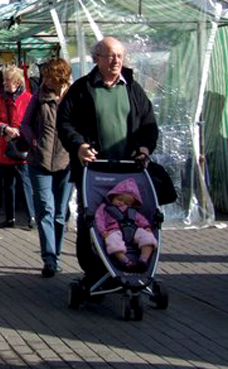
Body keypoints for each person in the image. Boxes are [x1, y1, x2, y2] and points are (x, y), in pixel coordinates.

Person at [57, 36, 159, 284]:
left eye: (120, 56)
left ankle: (128, 264)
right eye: (110, 55)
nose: (116, 61)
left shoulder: (133, 89)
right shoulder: (82, 88)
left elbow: (149, 125)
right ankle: (94, 270)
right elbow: (64, 122)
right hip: (94, 171)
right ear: (97, 59)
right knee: (91, 218)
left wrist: (145, 148)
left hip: (128, 171)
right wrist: (79, 146)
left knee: (132, 218)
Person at [20, 58, 73, 277]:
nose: (45, 80)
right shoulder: (39, 97)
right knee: (45, 209)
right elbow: (25, 123)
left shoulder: (73, 98)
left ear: (59, 77)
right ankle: (49, 258)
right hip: (39, 160)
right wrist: (33, 140)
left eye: (49, 77)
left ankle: (57, 253)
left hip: (67, 161)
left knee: (60, 212)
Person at [0, 65, 35, 230]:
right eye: (4, 80)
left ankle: (32, 216)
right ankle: (10, 218)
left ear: (16, 81)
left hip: (22, 146)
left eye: (7, 80)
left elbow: (34, 121)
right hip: (5, 147)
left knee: (25, 182)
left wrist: (21, 132)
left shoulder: (28, 98)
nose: (4, 83)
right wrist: (3, 128)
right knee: (8, 185)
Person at [94, 178, 157, 272]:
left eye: (126, 203)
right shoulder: (105, 208)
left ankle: (144, 259)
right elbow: (99, 219)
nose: (121, 203)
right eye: (119, 199)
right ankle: (124, 261)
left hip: (134, 230)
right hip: (114, 231)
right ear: (113, 196)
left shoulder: (132, 211)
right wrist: (103, 231)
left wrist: (147, 227)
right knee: (112, 240)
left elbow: (142, 220)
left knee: (148, 236)